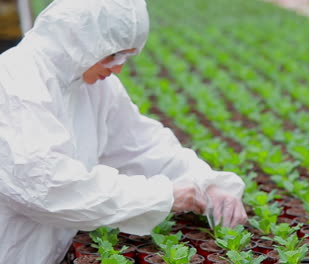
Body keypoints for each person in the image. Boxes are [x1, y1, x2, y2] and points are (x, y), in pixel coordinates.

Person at [0, 0, 247, 262]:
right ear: (77, 40)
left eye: (126, 56)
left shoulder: (92, 85)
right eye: (112, 55)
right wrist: (164, 196)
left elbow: (143, 147)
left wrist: (206, 183)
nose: (118, 67)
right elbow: (48, 187)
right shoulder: (14, 82)